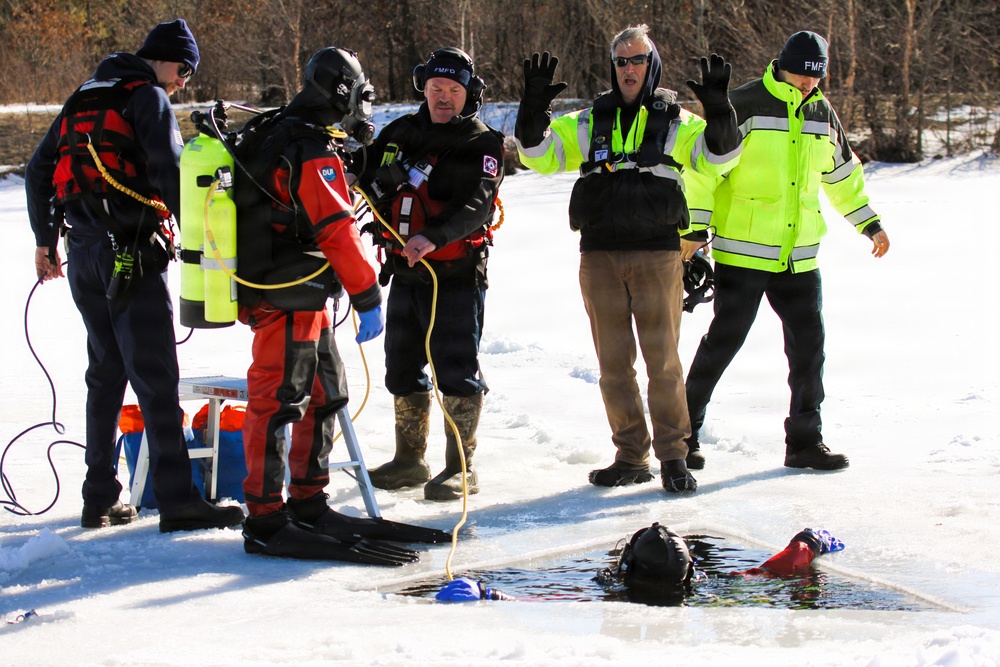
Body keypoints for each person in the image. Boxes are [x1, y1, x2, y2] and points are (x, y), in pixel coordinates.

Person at [24, 19, 245, 532]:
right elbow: (169, 172)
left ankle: (98, 496)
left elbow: (39, 172)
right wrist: (203, 238)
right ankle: (177, 501)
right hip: (131, 254)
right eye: (184, 70)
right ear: (167, 59)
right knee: (155, 376)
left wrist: (43, 241)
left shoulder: (84, 95)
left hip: (82, 253)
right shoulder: (147, 97)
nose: (183, 82)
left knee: (104, 373)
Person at [514, 25, 740, 493]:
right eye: (621, 61)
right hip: (598, 255)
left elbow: (719, 160)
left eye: (637, 60)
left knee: (663, 362)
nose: (629, 69)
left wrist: (719, 109)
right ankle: (630, 456)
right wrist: (533, 108)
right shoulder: (588, 120)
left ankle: (674, 456)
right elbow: (538, 154)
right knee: (614, 366)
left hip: (658, 254)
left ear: (651, 66)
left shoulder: (676, 120)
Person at [230, 47, 426, 564]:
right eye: (362, 97)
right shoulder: (308, 146)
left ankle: (309, 502)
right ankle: (267, 519)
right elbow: (336, 229)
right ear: (344, 94)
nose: (364, 108)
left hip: (301, 294)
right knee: (277, 407)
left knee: (324, 397)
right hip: (286, 298)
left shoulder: (282, 131)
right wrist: (367, 296)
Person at [683, 31, 891, 472]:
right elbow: (702, 171)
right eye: (800, 78)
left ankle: (803, 442)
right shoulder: (744, 104)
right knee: (723, 343)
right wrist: (694, 231)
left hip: (799, 257)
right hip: (743, 253)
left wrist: (867, 222)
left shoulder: (821, 111)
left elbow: (841, 175)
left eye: (814, 81)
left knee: (809, 350)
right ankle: (682, 434)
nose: (806, 87)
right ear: (781, 64)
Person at [349, 47, 505, 502]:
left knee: (455, 368)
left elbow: (478, 204)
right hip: (404, 272)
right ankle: (409, 460)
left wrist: (433, 236)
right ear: (424, 88)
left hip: (455, 274)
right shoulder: (401, 131)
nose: (443, 98)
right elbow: (361, 171)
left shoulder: (482, 142)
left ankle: (462, 467)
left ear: (468, 93)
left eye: (453, 90)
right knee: (401, 365)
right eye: (436, 88)